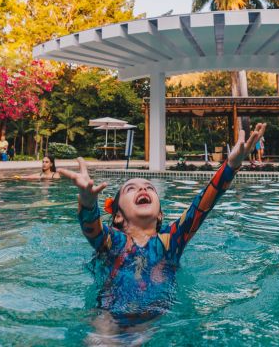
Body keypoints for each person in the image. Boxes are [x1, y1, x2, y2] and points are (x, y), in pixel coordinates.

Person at [61, 122, 266, 324]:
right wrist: (87, 201)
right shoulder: (113, 241)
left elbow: (202, 206)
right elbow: (92, 229)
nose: (143, 190)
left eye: (149, 188)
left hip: (157, 320)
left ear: (160, 215)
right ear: (118, 216)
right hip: (108, 315)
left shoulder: (171, 240)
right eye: (131, 189)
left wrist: (231, 166)